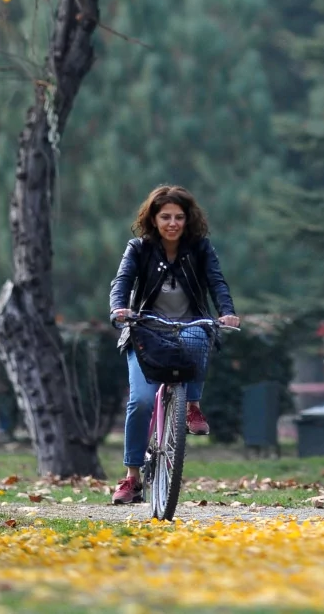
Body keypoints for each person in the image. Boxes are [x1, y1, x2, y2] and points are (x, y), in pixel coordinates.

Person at [108, 185, 239, 505]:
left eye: (179, 217)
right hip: (145, 332)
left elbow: (216, 282)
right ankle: (132, 477)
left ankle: (192, 405)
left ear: (188, 219)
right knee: (140, 401)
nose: (172, 223)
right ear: (153, 219)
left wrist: (226, 311)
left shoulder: (200, 248)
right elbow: (122, 282)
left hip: (189, 326)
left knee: (199, 337)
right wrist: (119, 308)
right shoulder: (138, 249)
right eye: (165, 216)